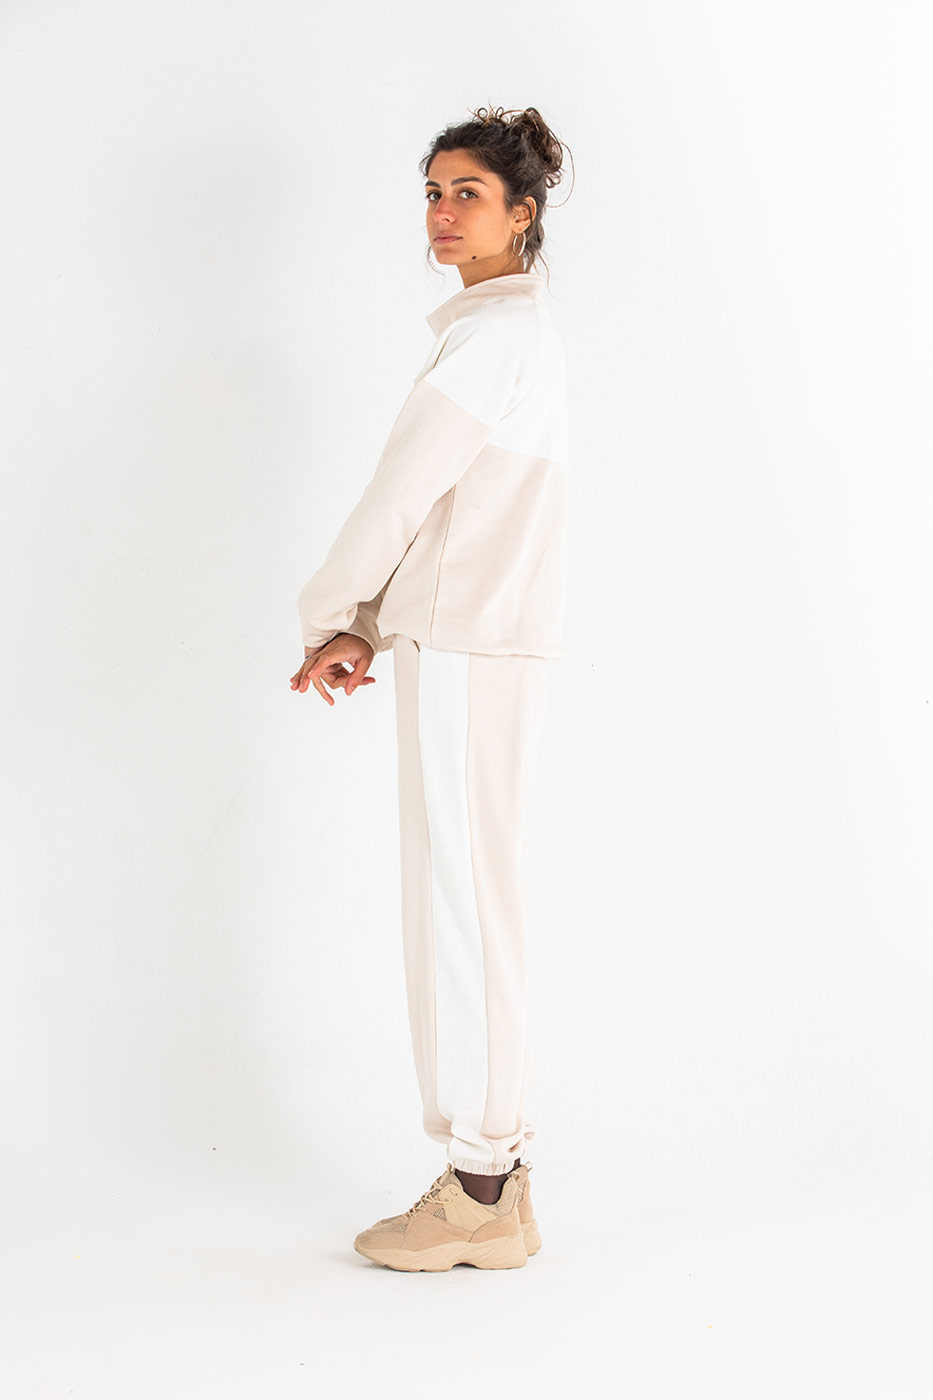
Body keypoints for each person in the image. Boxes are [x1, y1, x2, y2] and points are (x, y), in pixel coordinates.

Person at [289, 105, 572, 1271]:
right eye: (433, 192)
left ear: (524, 213)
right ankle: (493, 1181)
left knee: (460, 906)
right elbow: (446, 509)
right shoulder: (508, 333)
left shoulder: (494, 340)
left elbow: (400, 495)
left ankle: (481, 1185)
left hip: (467, 644)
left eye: (469, 194)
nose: (443, 214)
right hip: (476, 638)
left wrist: (334, 611)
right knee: (475, 899)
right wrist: (368, 622)